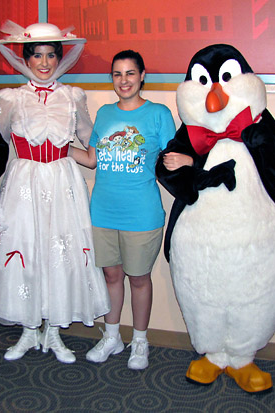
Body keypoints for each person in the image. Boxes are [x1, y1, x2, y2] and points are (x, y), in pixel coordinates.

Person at [0, 21, 110, 364]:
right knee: (25, 249)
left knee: (60, 251)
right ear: (25, 59)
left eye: (51, 55)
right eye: (37, 55)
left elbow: (89, 137)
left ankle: (53, 330)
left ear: (59, 58)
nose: (44, 62)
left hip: (63, 182)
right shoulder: (10, 98)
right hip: (24, 183)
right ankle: (27, 329)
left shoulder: (73, 96)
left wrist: (110, 146)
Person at [70, 50, 192, 369]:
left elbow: (176, 155)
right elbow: (92, 159)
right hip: (103, 212)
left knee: (138, 278)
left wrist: (192, 161)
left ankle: (139, 340)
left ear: (142, 76)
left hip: (142, 214)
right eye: (117, 74)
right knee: (111, 275)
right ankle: (112, 336)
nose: (123, 81)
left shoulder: (158, 114)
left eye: (129, 73)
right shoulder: (105, 115)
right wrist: (56, 146)